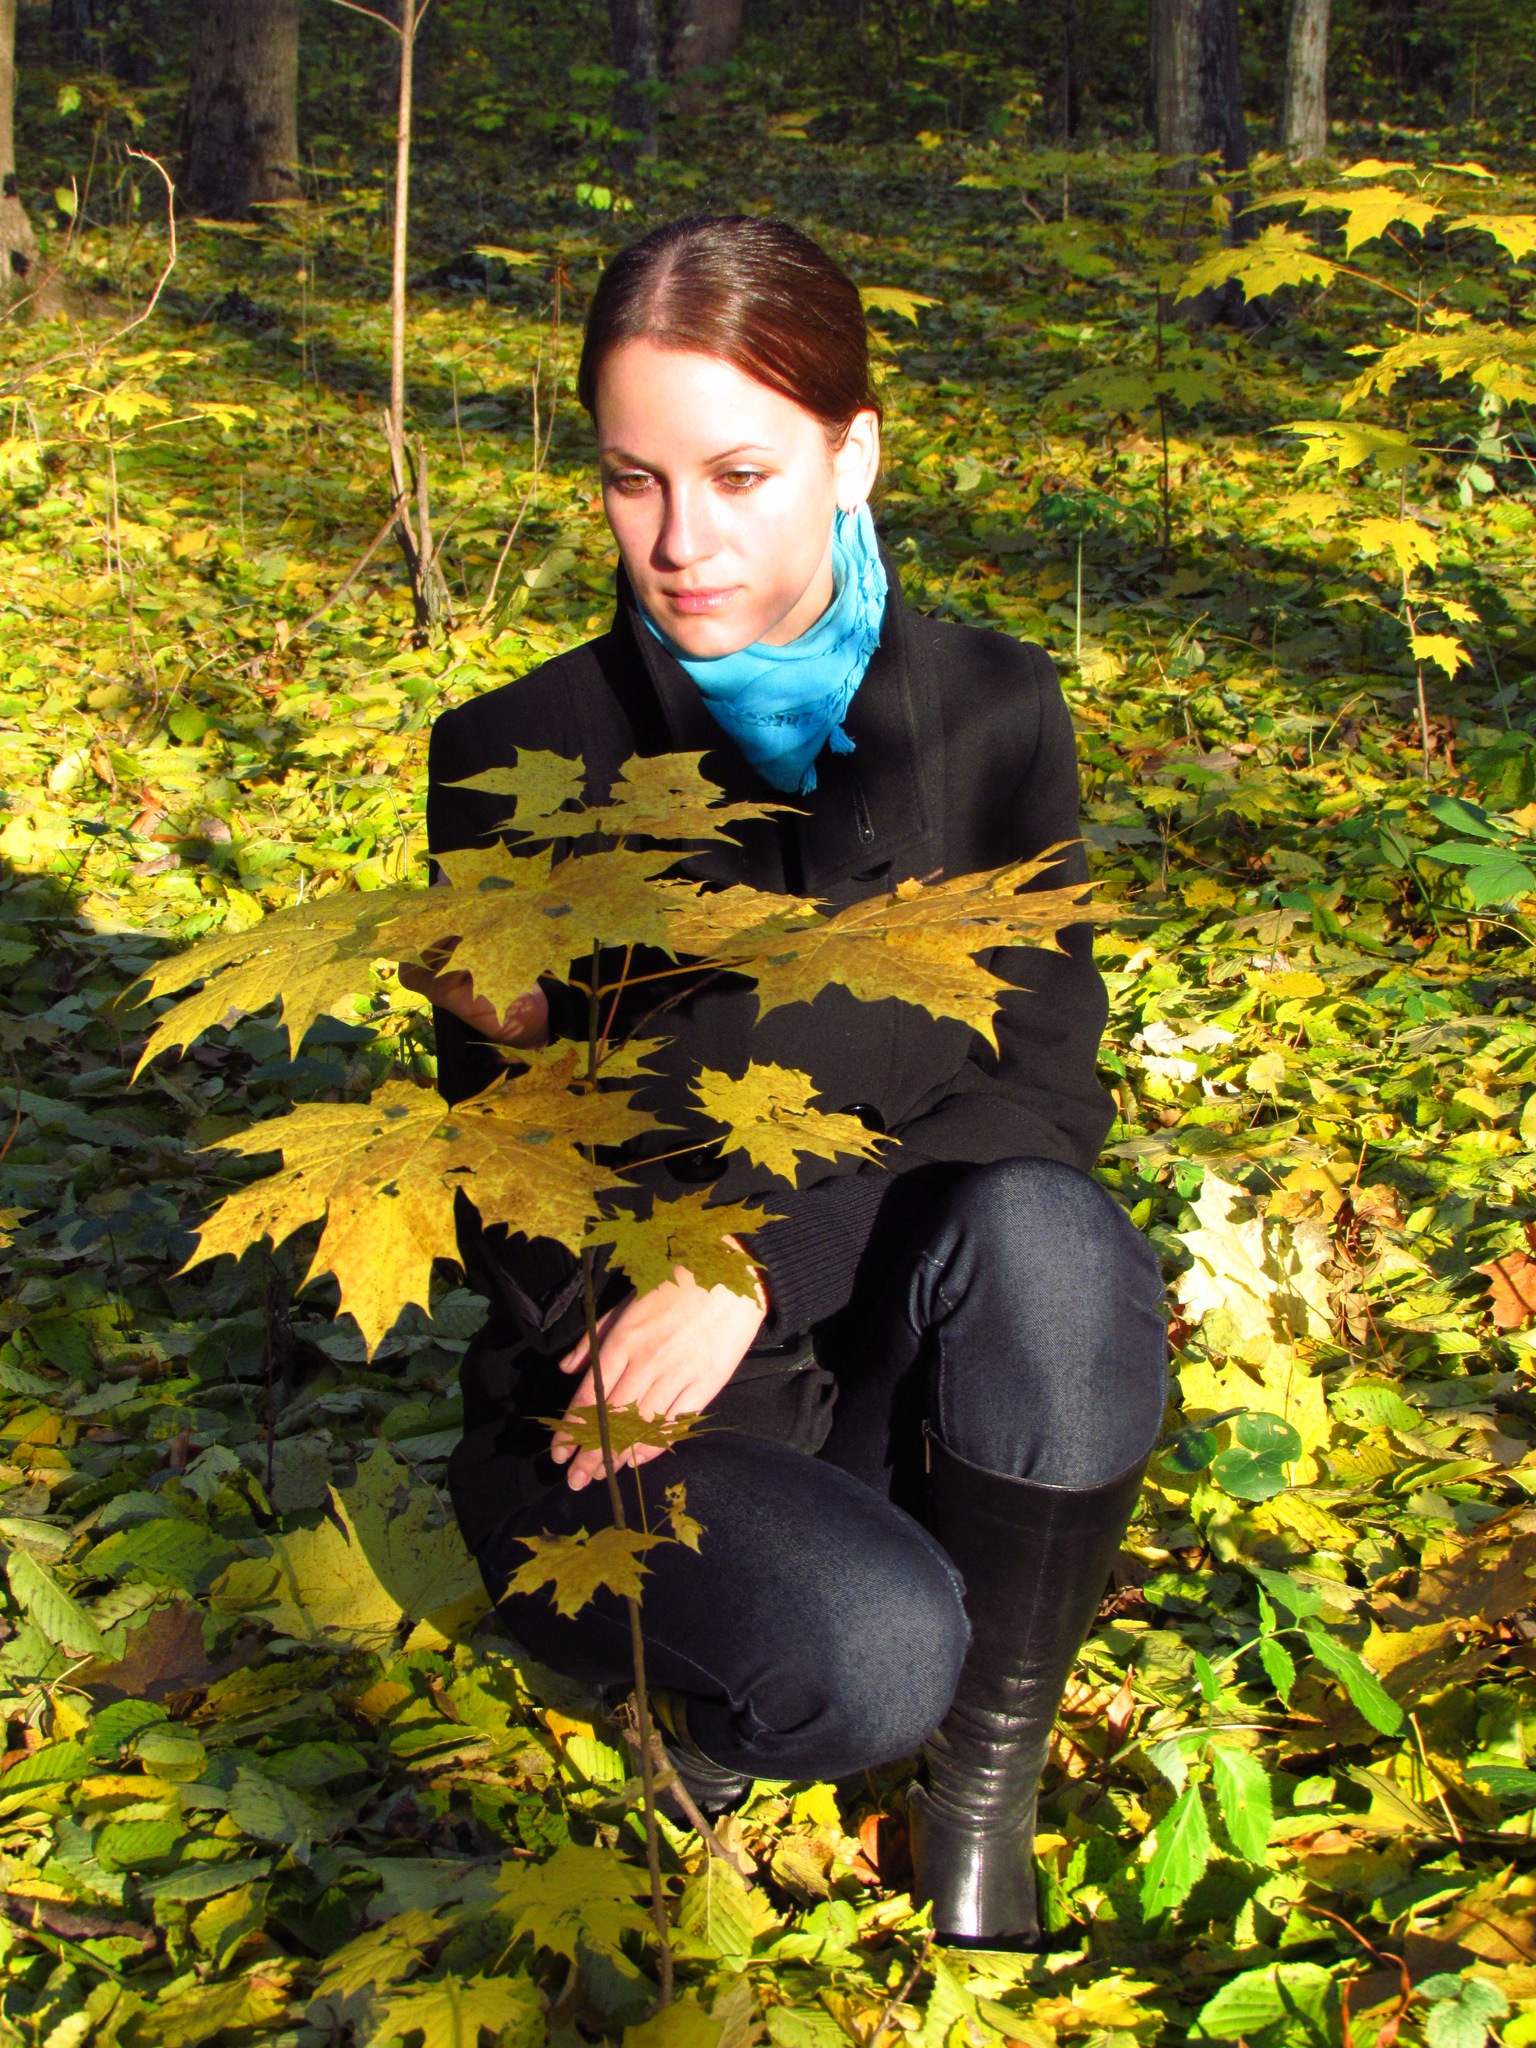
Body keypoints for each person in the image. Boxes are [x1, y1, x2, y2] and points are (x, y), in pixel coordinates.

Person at [405, 215, 1167, 1951]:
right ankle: (726, 1700)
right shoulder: (518, 758)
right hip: (635, 1411)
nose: (682, 544)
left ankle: (981, 1786)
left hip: (889, 1346)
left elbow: (1042, 1094)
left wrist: (758, 1259)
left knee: (1052, 1235)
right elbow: (520, 1212)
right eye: (633, 482)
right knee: (871, 1654)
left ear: (854, 455)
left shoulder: (988, 710)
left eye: (741, 476)